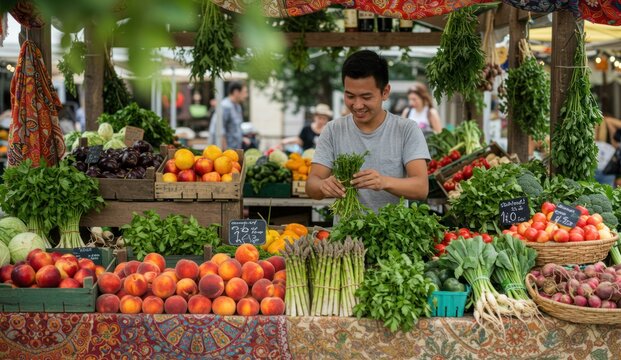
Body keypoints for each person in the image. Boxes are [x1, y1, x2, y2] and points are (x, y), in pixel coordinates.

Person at [306, 50, 430, 213]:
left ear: (385, 92)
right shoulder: (333, 130)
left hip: (393, 234)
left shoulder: (406, 129)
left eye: (366, 97)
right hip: (347, 236)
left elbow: (421, 188)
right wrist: (323, 185)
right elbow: (311, 186)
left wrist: (383, 182)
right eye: (350, 96)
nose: (357, 105)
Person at [209, 81, 248, 149]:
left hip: (235, 150)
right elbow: (219, 129)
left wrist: (242, 138)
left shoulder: (238, 107)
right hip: (226, 152)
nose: (246, 95)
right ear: (236, 92)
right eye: (244, 92)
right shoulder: (225, 106)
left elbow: (235, 129)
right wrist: (225, 151)